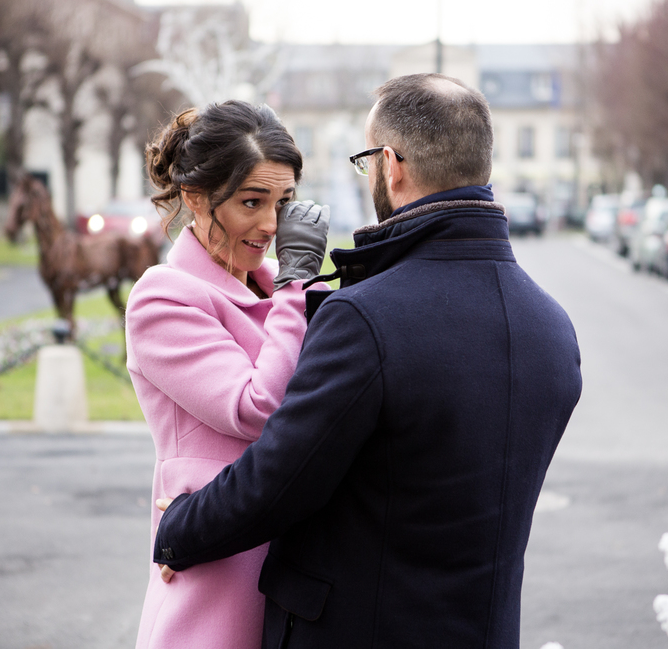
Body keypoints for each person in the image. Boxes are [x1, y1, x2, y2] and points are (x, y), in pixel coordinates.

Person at [152, 74, 583, 648]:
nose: (273, 221)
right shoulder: (553, 327)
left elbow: (281, 479)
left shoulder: (367, 317)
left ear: (390, 164)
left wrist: (177, 529)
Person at [125, 100, 330, 649]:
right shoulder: (163, 297)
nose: (271, 224)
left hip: (293, 567)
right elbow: (257, 408)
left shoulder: (276, 285)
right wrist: (294, 287)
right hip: (221, 569)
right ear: (195, 197)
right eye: (251, 202)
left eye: (284, 202)